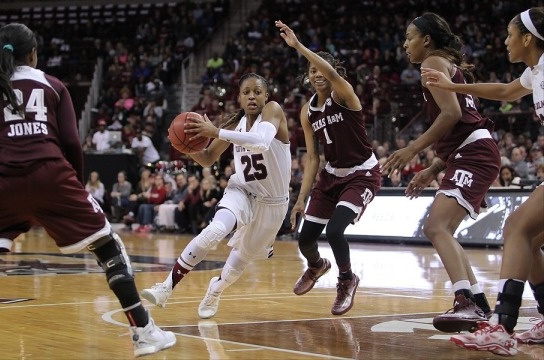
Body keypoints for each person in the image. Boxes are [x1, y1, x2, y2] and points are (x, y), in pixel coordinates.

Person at [0, 23, 175, 357]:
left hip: (0, 185)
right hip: (52, 177)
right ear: (34, 53)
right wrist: (76, 188)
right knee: (109, 248)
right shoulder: (53, 85)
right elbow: (70, 143)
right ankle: (144, 331)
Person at [422, 7, 544, 356]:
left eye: (509, 34)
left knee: (516, 228)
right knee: (529, 238)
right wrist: (451, 85)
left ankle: (501, 327)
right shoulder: (535, 72)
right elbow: (505, 91)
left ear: (527, 38)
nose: (504, 41)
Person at [382, 13, 500, 333]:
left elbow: (453, 114)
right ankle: (480, 305)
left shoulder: (431, 62)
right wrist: (433, 167)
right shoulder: (443, 63)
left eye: (410, 37)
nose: (405, 44)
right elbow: (458, 124)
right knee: (443, 228)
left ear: (427, 40)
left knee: (436, 226)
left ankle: (467, 302)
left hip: (473, 154)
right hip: (468, 152)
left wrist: (412, 149)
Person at [141, 73, 291, 319]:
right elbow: (208, 158)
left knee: (236, 266)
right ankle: (165, 287)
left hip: (273, 205)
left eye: (257, 91)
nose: (252, 96)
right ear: (240, 98)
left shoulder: (273, 111)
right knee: (214, 231)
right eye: (246, 92)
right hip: (241, 190)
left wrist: (215, 131)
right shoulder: (235, 124)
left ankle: (215, 289)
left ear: (266, 95)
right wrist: (186, 147)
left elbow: (261, 142)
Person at [276, 20, 382, 315]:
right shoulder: (306, 111)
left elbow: (332, 72)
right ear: (308, 78)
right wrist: (300, 199)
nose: (318, 74)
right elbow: (312, 159)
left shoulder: (344, 94)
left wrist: (298, 46)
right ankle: (317, 266)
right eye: (312, 71)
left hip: (362, 174)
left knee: (335, 231)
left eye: (321, 69)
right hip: (331, 175)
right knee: (305, 238)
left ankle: (347, 280)